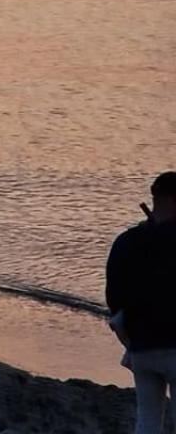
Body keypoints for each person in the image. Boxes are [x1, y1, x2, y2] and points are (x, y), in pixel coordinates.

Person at [107, 172, 176, 434]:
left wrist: (128, 335)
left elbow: (114, 298)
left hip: (141, 347)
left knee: (147, 423)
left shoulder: (126, 242)